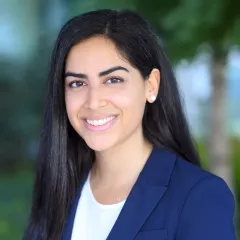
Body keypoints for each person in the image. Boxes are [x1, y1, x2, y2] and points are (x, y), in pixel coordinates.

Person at [23, 9, 236, 240]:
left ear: (151, 85)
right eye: (77, 83)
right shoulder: (60, 189)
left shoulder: (197, 196)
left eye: (113, 80)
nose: (94, 102)